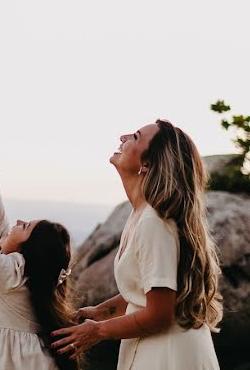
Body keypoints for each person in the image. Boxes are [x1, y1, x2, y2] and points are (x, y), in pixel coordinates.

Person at [51, 119, 222, 369]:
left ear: (147, 164)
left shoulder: (154, 222)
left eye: (135, 136)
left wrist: (97, 331)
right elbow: (149, 288)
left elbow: (160, 314)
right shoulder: (142, 214)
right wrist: (101, 311)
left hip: (169, 356)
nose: (123, 137)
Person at [0, 136, 80, 370]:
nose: (18, 221)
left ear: (27, 249)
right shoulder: (12, 263)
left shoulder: (9, 271)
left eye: (25, 226)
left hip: (25, 363)